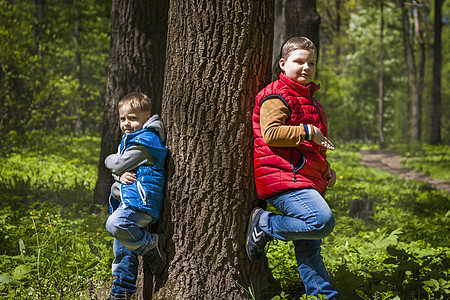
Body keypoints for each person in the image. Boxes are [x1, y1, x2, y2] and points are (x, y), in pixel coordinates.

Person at [246, 37, 338, 299]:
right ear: (283, 63)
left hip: (304, 179)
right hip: (284, 179)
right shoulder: (276, 94)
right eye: (299, 62)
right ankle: (264, 224)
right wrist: (309, 130)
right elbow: (272, 133)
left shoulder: (312, 102)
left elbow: (311, 148)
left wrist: (326, 170)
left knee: (310, 250)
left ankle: (322, 295)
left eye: (312, 62)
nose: (306, 67)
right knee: (321, 221)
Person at [104, 92, 168, 300]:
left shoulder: (146, 140)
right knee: (122, 249)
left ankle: (151, 245)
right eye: (123, 119)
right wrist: (119, 175)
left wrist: (111, 162)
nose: (126, 123)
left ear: (147, 117)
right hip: (130, 201)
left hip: (142, 202)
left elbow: (117, 164)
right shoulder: (129, 140)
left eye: (132, 118)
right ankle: (122, 291)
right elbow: (119, 171)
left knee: (115, 225)